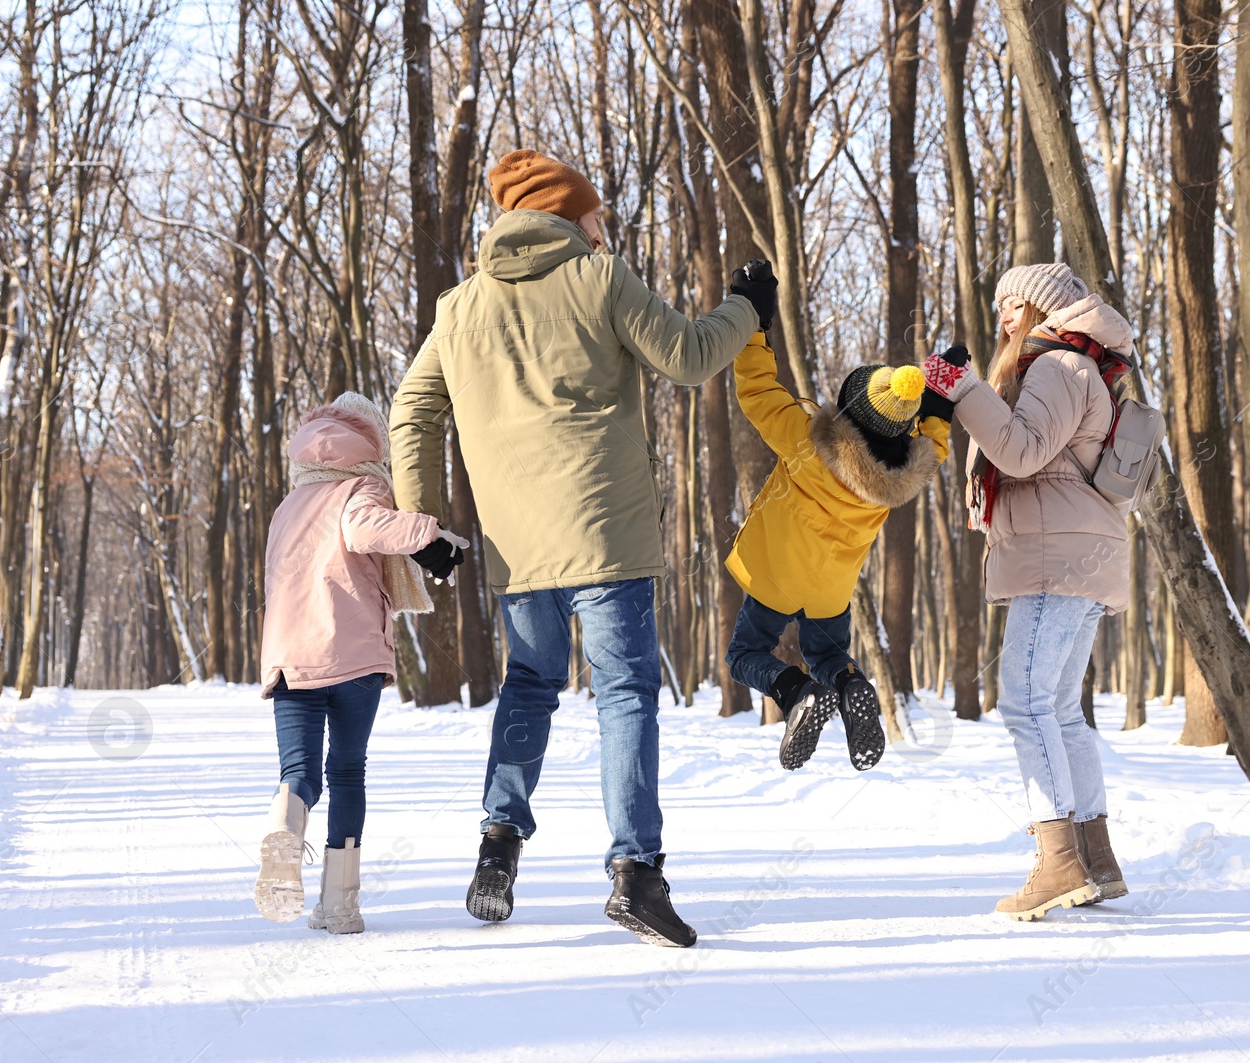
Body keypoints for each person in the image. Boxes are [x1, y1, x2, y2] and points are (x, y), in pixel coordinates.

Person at [389, 149, 765, 947]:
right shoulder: (599, 275)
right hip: (607, 532)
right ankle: (636, 873)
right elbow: (691, 356)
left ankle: (498, 846)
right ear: (566, 215)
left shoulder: (458, 308)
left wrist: (422, 524)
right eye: (596, 214)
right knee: (625, 691)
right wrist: (746, 306)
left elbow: (411, 412)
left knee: (529, 685)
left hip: (517, 546)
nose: (605, 227)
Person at [922, 262, 1134, 922]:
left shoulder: (1059, 367)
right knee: (1062, 711)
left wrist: (963, 391)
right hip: (1076, 551)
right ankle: (1094, 857)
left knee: (1025, 704)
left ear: (1047, 310)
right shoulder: (1078, 368)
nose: (1003, 320)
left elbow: (1020, 452)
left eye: (1013, 306)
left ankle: (1058, 865)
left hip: (1057, 557)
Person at [254, 392, 467, 934]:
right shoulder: (364, 486)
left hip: (289, 658)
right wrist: (429, 534)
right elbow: (365, 529)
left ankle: (285, 823)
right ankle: (340, 905)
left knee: (298, 773)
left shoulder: (288, 505)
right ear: (371, 441)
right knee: (347, 772)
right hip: (351, 656)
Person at [722, 304, 951, 772]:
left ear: (849, 403)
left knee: (745, 653)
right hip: (832, 590)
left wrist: (754, 322)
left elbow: (758, 391)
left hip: (776, 576)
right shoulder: (901, 476)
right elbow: (935, 440)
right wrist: (940, 386)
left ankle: (795, 692)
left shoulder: (807, 439)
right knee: (827, 653)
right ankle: (849, 687)